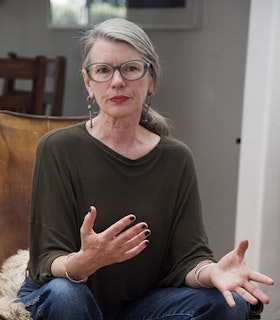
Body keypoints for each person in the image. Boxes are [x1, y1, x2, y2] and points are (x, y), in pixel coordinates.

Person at [16, 18, 274, 320]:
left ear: (150, 79)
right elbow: (47, 259)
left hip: (140, 306)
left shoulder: (176, 159)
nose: (117, 82)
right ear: (88, 83)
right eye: (103, 70)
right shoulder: (57, 149)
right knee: (67, 295)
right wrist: (86, 261)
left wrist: (212, 272)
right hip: (66, 298)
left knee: (229, 304)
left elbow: (188, 259)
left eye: (131, 68)